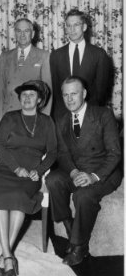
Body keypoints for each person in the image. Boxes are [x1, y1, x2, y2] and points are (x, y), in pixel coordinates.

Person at [46, 76, 122, 266]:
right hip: (76, 170)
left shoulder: (103, 115)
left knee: (83, 196)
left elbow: (115, 154)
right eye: (65, 95)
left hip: (103, 172)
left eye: (74, 94)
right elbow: (62, 153)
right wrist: (72, 172)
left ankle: (80, 246)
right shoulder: (61, 119)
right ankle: (68, 224)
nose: (69, 99)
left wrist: (93, 176)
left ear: (84, 94)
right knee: (53, 180)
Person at [0, 80, 57, 276]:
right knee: (0, 195)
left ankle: (4, 256)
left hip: (31, 172)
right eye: (24, 94)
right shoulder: (9, 118)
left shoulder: (47, 122)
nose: (27, 98)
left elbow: (52, 152)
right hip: (5, 168)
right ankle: (9, 256)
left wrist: (39, 171)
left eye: (32, 95)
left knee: (18, 198)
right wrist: (16, 168)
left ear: (40, 100)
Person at [50, 9, 111, 121]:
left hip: (91, 117)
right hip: (63, 118)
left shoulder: (99, 54)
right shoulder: (56, 55)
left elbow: (101, 92)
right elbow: (56, 91)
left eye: (76, 25)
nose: (72, 29)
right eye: (68, 26)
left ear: (84, 27)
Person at [0, 18, 52, 127]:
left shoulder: (44, 56)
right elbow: (0, 89)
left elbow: (48, 91)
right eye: (19, 31)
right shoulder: (5, 56)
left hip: (31, 114)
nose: (22, 34)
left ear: (33, 33)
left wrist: (44, 119)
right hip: (8, 114)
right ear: (14, 33)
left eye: (26, 31)